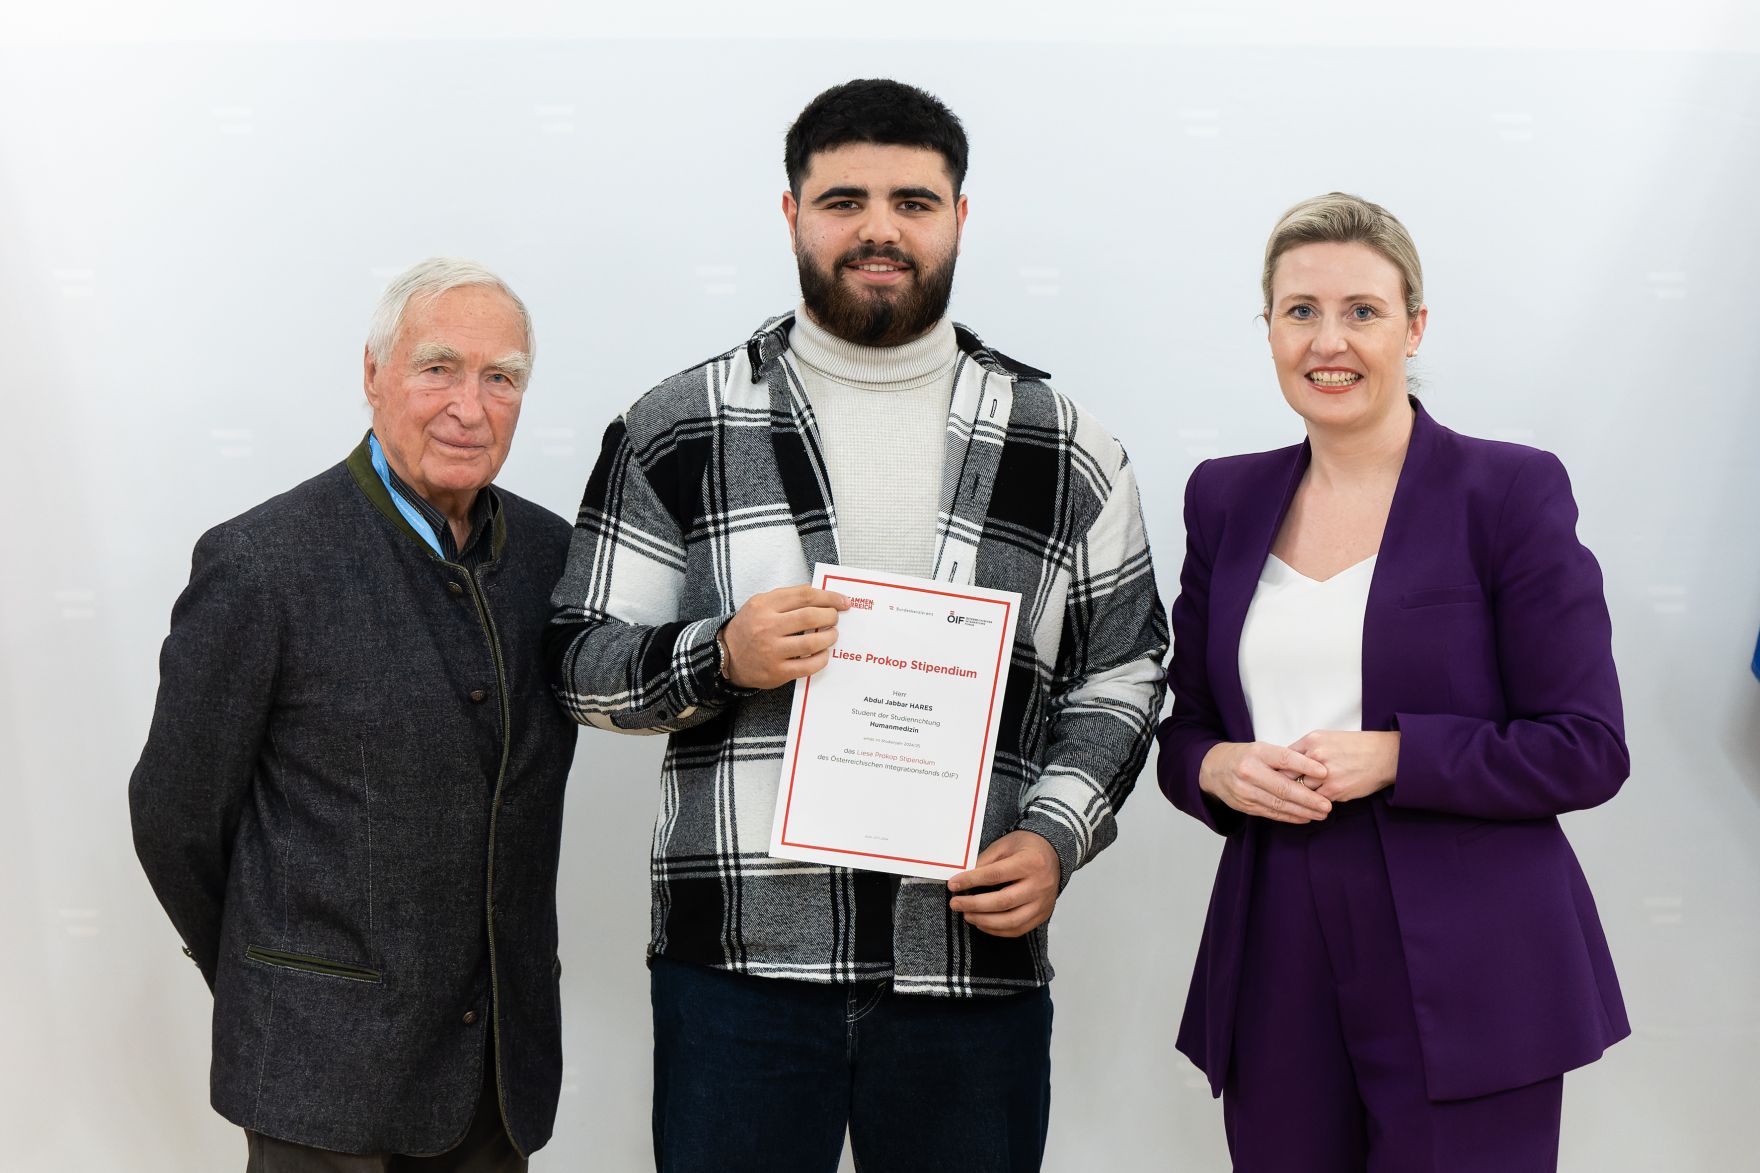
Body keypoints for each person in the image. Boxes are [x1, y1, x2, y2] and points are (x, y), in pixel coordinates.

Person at [546, 78, 1167, 1173]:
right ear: (790, 213)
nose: (878, 229)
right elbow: (579, 658)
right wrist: (716, 654)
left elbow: (1122, 672)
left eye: (912, 202)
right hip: (740, 962)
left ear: (958, 219)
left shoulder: (1063, 444)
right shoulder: (676, 425)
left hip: (968, 962)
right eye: (843, 200)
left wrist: (1055, 837)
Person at [1157, 193, 1629, 1172]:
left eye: (1361, 311)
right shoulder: (1224, 496)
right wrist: (1215, 770)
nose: (1327, 341)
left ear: (1412, 327)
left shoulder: (1506, 491)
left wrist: (1398, 756)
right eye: (1298, 311)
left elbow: (1585, 746)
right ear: (1268, 326)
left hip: (1470, 954)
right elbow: (1184, 731)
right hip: (1273, 933)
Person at [130, 258, 578, 1171]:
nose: (470, 405)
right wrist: (275, 969)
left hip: (498, 1076)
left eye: (503, 377)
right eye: (438, 368)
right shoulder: (261, 562)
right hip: (316, 1074)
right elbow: (175, 817)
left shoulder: (550, 556)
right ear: (373, 373)